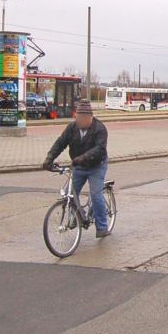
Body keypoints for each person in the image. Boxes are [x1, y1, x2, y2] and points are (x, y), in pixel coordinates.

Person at [42, 99, 110, 237]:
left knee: (96, 194)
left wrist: (83, 157)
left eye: (84, 118)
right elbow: (60, 143)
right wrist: (49, 159)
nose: (81, 121)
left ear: (90, 117)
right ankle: (78, 216)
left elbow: (99, 149)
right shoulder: (72, 128)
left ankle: (102, 226)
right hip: (78, 166)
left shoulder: (100, 128)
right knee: (68, 193)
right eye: (79, 118)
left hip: (97, 165)